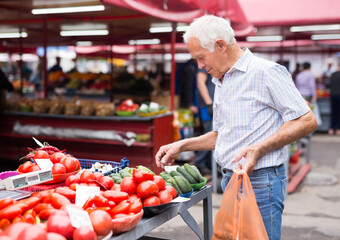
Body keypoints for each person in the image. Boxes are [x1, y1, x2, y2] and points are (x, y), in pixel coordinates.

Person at [155, 15, 317, 240]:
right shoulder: (221, 79)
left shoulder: (267, 72)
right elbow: (221, 135)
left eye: (201, 57)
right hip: (230, 180)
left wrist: (258, 148)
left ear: (221, 45)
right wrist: (181, 145)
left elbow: (307, 120)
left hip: (261, 182)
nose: (200, 66)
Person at [195, 68, 214, 175]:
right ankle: (200, 163)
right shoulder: (205, 64)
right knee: (209, 133)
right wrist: (209, 103)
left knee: (212, 132)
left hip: (211, 106)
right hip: (207, 108)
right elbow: (200, 82)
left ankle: (209, 164)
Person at [328, 62, 340, 135]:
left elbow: (329, 85)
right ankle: (339, 129)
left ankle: (331, 129)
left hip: (333, 95)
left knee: (333, 112)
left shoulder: (333, 74)